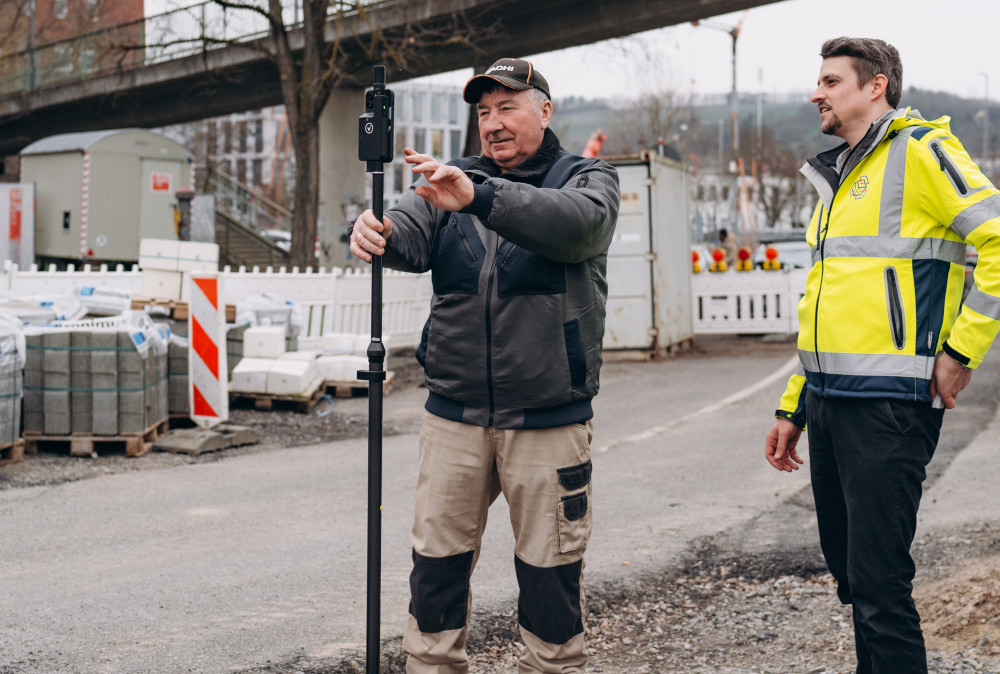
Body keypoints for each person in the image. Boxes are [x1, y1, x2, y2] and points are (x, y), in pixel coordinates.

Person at [350, 57, 620, 673]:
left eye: (507, 107)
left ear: (544, 111)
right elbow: (408, 235)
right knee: (436, 571)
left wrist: (481, 197)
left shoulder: (585, 177)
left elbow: (579, 230)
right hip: (454, 417)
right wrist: (372, 230)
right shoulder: (451, 178)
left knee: (550, 577)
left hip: (549, 419)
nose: (493, 123)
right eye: (483, 111)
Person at [764, 37, 1000, 674]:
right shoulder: (838, 176)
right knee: (851, 579)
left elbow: (999, 241)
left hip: (891, 406)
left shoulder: (922, 153)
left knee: (878, 586)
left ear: (876, 87)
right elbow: (826, 305)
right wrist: (795, 406)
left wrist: (960, 350)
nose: (817, 91)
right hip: (830, 401)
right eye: (819, 80)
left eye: (831, 80)